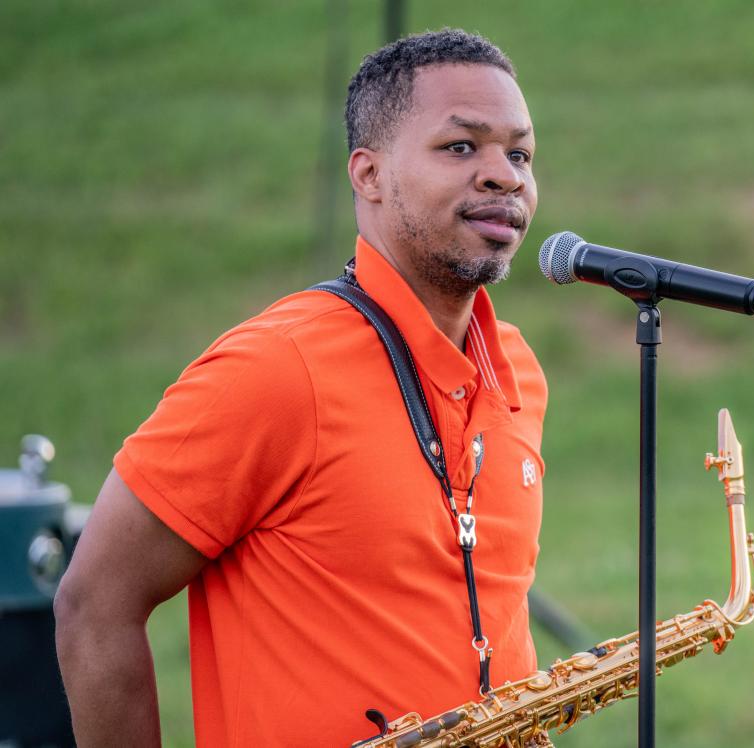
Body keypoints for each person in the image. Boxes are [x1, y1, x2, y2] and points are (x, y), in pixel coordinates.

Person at [54, 29, 546, 747]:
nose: (505, 175)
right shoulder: (275, 368)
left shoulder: (518, 366)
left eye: (521, 153)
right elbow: (94, 602)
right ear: (368, 174)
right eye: (461, 147)